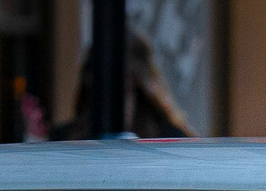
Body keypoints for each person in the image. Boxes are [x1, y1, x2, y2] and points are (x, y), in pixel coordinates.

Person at [39, 29, 196, 140]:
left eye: (124, 88)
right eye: (102, 87)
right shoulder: (64, 140)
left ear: (138, 83)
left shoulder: (170, 141)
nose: (113, 99)